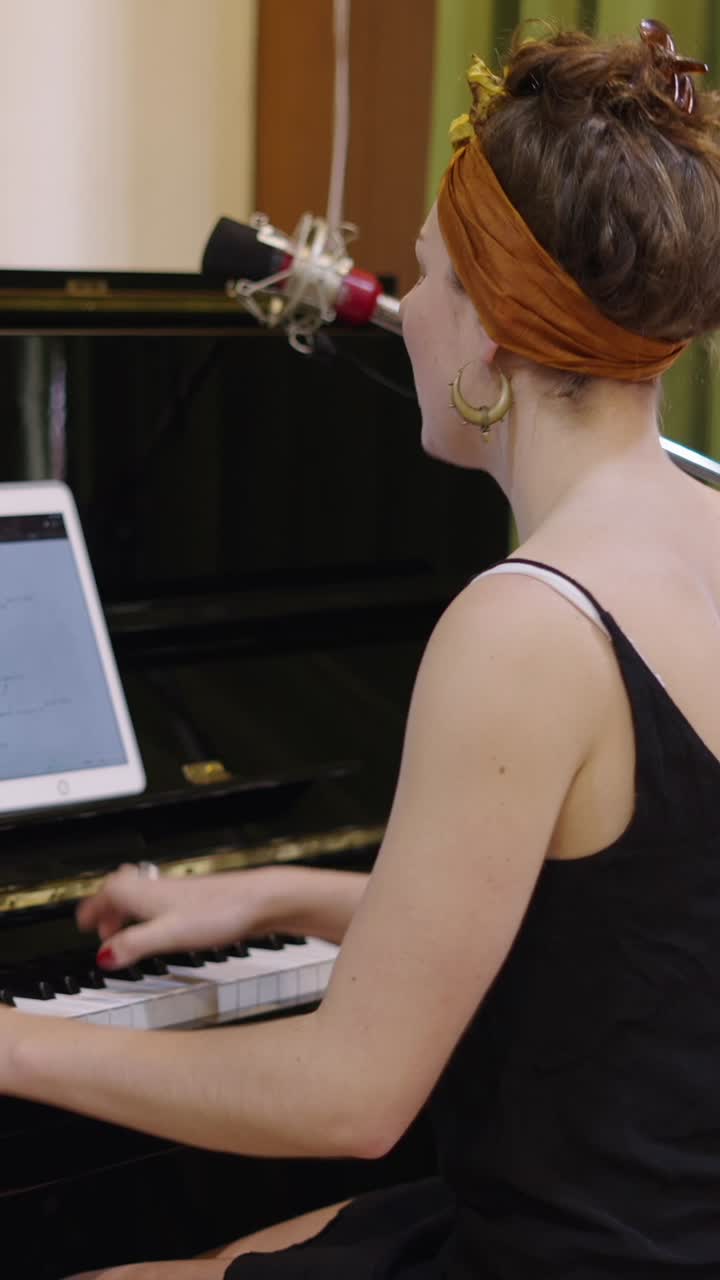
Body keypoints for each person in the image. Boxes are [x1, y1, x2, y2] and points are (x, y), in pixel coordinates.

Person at [6, 16, 720, 1278]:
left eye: (431, 274)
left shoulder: (527, 622)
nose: (408, 308)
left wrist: (17, 1041)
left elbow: (348, 1097)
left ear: (492, 331)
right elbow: (618, 936)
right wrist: (274, 892)